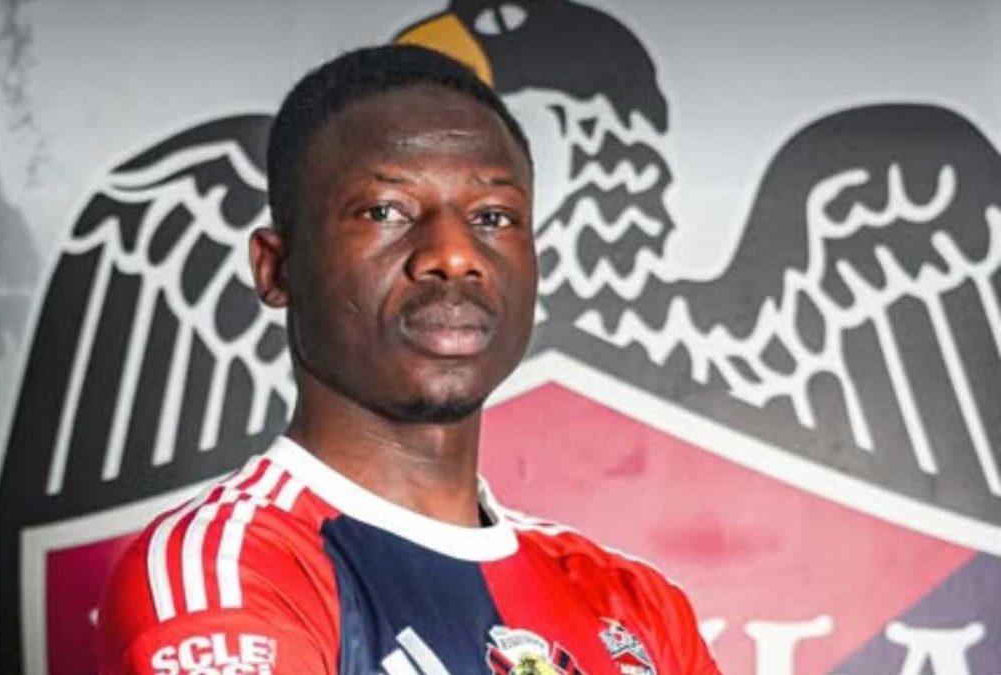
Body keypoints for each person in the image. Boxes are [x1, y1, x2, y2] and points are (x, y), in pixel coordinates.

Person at [99, 45, 721, 675]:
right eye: (385, 211)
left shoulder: (634, 604)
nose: (454, 255)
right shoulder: (225, 567)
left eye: (493, 217)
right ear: (277, 268)